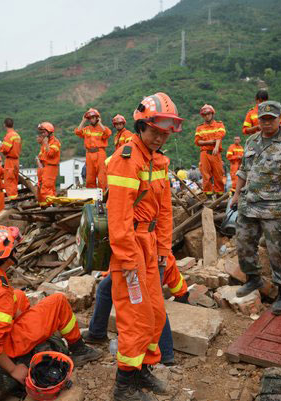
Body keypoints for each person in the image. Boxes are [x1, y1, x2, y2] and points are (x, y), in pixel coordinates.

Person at [106, 92, 182, 401]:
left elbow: (164, 210)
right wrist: (127, 259)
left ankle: (143, 369)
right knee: (134, 318)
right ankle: (124, 385)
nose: (160, 138)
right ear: (141, 125)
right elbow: (119, 216)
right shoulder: (127, 158)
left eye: (165, 133)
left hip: (150, 245)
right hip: (130, 246)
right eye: (155, 132)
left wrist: (164, 251)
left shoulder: (159, 160)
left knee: (154, 313)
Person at [0, 225, 101, 386]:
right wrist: (13, 369)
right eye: (14, 248)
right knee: (58, 302)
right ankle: (79, 349)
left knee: (18, 296)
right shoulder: (0, 291)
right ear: (8, 255)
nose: (16, 250)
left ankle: (31, 329)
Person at [230, 101, 281, 315]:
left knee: (278, 251)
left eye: (270, 119)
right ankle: (253, 278)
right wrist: (236, 194)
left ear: (280, 118)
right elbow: (243, 171)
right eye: (262, 119)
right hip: (249, 205)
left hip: (275, 207)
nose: (266, 123)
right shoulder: (252, 141)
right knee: (244, 244)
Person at [83, 252, 188, 367]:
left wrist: (182, 295)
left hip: (141, 261)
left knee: (154, 307)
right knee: (105, 289)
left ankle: (166, 355)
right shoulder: (166, 257)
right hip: (136, 260)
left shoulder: (164, 258)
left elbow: (177, 283)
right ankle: (97, 333)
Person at [75, 108, 111, 189]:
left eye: (93, 117)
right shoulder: (87, 129)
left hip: (100, 153)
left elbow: (108, 134)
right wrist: (83, 121)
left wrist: (100, 123)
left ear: (97, 118)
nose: (91, 119)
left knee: (102, 176)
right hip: (89, 154)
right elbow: (77, 132)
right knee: (90, 176)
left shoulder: (102, 128)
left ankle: (103, 197)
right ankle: (92, 197)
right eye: (90, 118)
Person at [195, 104, 226, 198]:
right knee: (206, 176)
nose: (206, 116)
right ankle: (208, 196)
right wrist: (209, 142)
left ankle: (219, 195)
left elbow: (219, 136)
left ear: (212, 114)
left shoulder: (219, 124)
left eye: (208, 114)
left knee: (218, 175)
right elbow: (197, 141)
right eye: (204, 115)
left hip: (215, 153)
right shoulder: (199, 128)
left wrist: (216, 147)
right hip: (204, 153)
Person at [37, 122, 61, 206]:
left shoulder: (55, 142)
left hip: (50, 167)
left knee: (46, 188)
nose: (42, 134)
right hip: (44, 167)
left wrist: (46, 143)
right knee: (47, 188)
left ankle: (53, 205)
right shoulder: (44, 143)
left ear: (49, 132)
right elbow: (41, 156)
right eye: (41, 132)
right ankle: (45, 206)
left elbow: (51, 154)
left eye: (44, 132)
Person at [0, 118, 22, 201]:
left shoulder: (9, 136)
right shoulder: (17, 135)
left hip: (10, 161)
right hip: (16, 161)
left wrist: (1, 146)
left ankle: (13, 201)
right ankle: (15, 199)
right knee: (14, 181)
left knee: (9, 181)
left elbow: (5, 149)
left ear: (4, 125)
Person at [35, 133, 47, 207]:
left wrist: (38, 161)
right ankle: (43, 207)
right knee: (40, 196)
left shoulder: (45, 147)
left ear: (42, 138)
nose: (36, 139)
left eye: (37, 137)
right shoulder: (42, 147)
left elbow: (43, 164)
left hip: (43, 175)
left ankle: (46, 208)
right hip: (41, 176)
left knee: (44, 195)